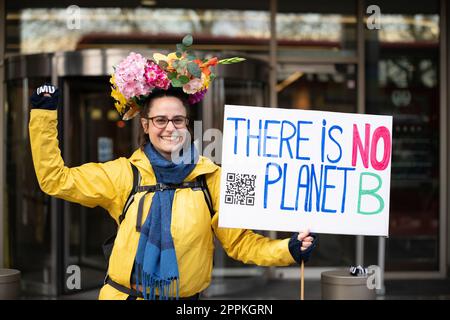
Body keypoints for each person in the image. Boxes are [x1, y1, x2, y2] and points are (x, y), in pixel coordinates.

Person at [28, 36, 318, 300]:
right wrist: (43, 115)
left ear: (188, 125)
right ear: (145, 124)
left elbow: (240, 243)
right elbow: (55, 180)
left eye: (178, 120)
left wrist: (288, 249)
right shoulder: (123, 174)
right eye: (160, 120)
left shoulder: (211, 178)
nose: (170, 128)